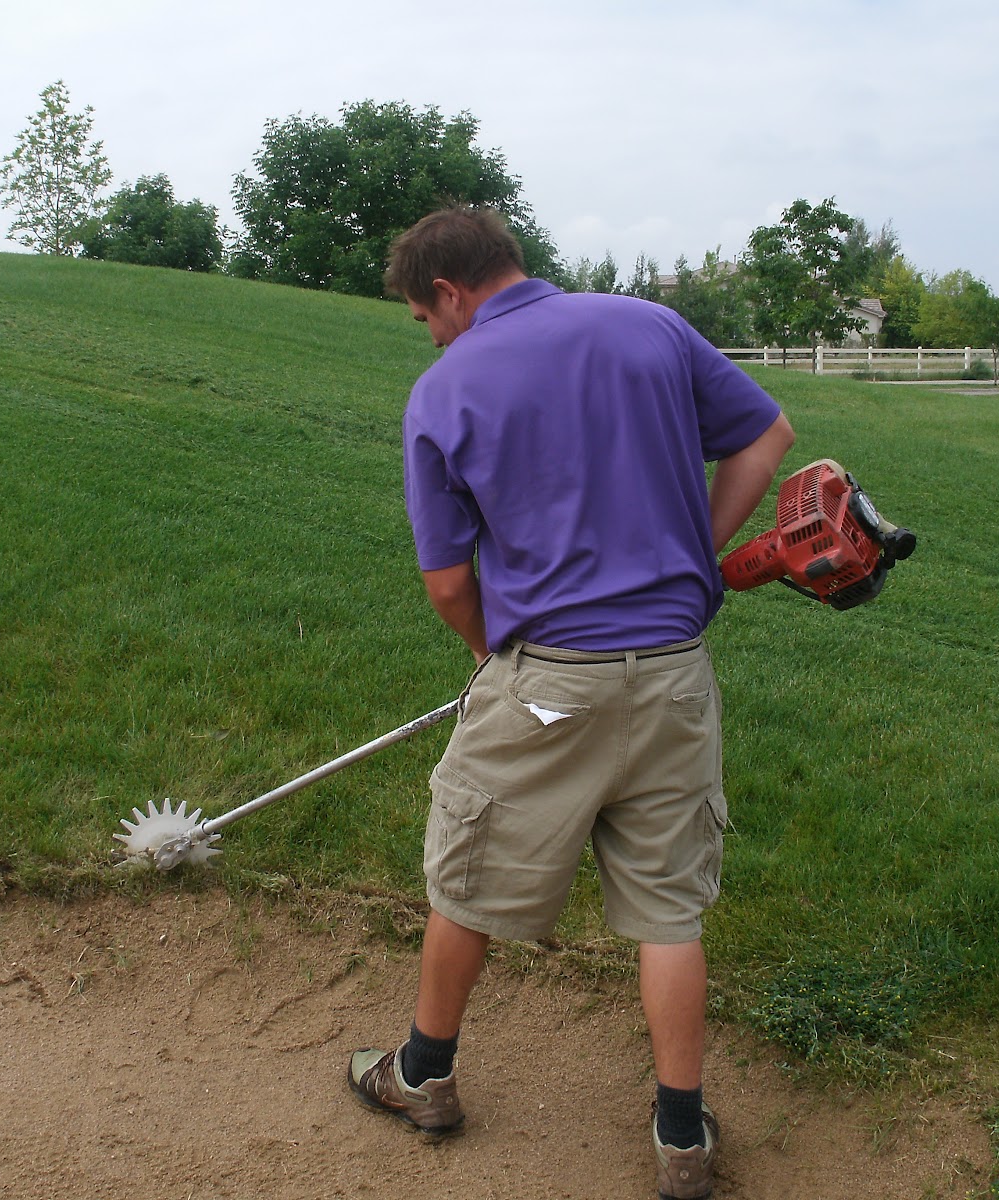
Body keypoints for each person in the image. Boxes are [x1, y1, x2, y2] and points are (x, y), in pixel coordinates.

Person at [347, 206, 794, 1200]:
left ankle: (421, 1074)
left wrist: (490, 658)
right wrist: (699, 563)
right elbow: (766, 439)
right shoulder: (647, 326)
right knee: (669, 909)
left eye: (426, 315)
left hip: (547, 680)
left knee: (464, 878)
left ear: (450, 293)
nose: (431, 334)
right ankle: (683, 1137)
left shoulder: (444, 387)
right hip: (675, 673)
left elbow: (449, 585)